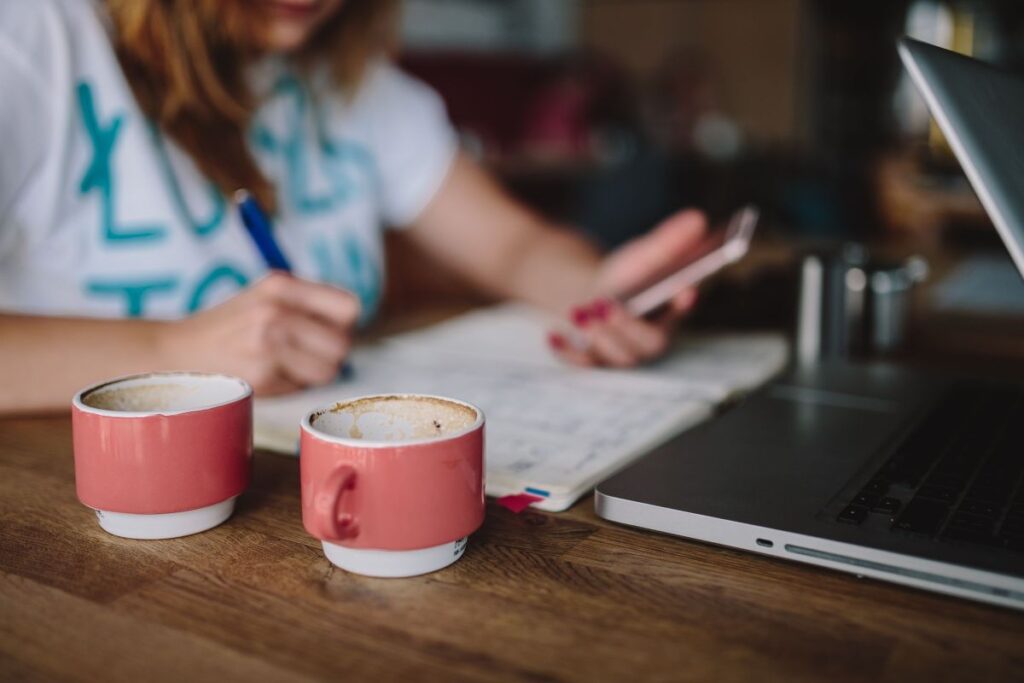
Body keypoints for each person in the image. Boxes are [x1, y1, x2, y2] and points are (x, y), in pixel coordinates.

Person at [0, 0, 707, 414]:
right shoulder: (33, 42)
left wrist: (596, 291)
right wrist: (171, 354)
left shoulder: (357, 85)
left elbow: (511, 247)